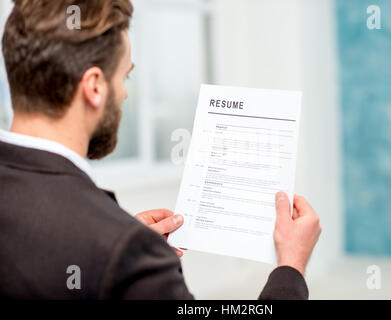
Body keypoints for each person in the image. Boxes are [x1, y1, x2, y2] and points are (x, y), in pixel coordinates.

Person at [0, 0, 321, 299]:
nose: (125, 94)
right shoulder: (126, 250)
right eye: (125, 76)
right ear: (95, 86)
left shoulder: (115, 244)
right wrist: (291, 266)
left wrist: (117, 239)